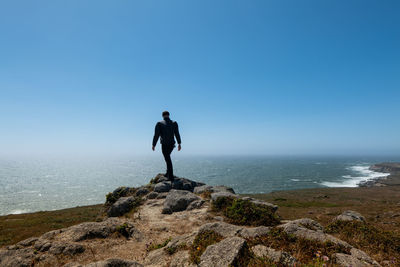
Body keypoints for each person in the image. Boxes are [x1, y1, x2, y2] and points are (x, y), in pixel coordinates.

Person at [152, 111, 181, 181]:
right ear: (169, 115)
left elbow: (156, 135)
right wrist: (179, 143)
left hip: (164, 144)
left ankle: (170, 176)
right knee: (167, 158)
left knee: (167, 159)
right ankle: (168, 172)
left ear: (162, 116)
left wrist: (153, 144)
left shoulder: (159, 123)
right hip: (172, 144)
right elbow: (177, 133)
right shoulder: (174, 123)